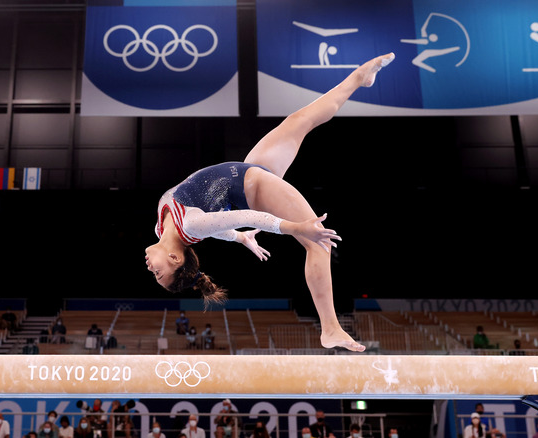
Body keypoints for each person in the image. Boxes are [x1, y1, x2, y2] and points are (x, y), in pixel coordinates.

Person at [145, 52, 396, 352]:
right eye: (157, 273)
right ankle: (330, 329)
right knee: (318, 242)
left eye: (154, 273)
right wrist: (296, 227)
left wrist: (240, 238)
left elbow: (218, 225)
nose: (150, 268)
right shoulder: (188, 226)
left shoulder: (164, 229)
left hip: (250, 170)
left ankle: (359, 78)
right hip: (252, 186)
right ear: (175, 260)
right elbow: (249, 216)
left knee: (301, 120)